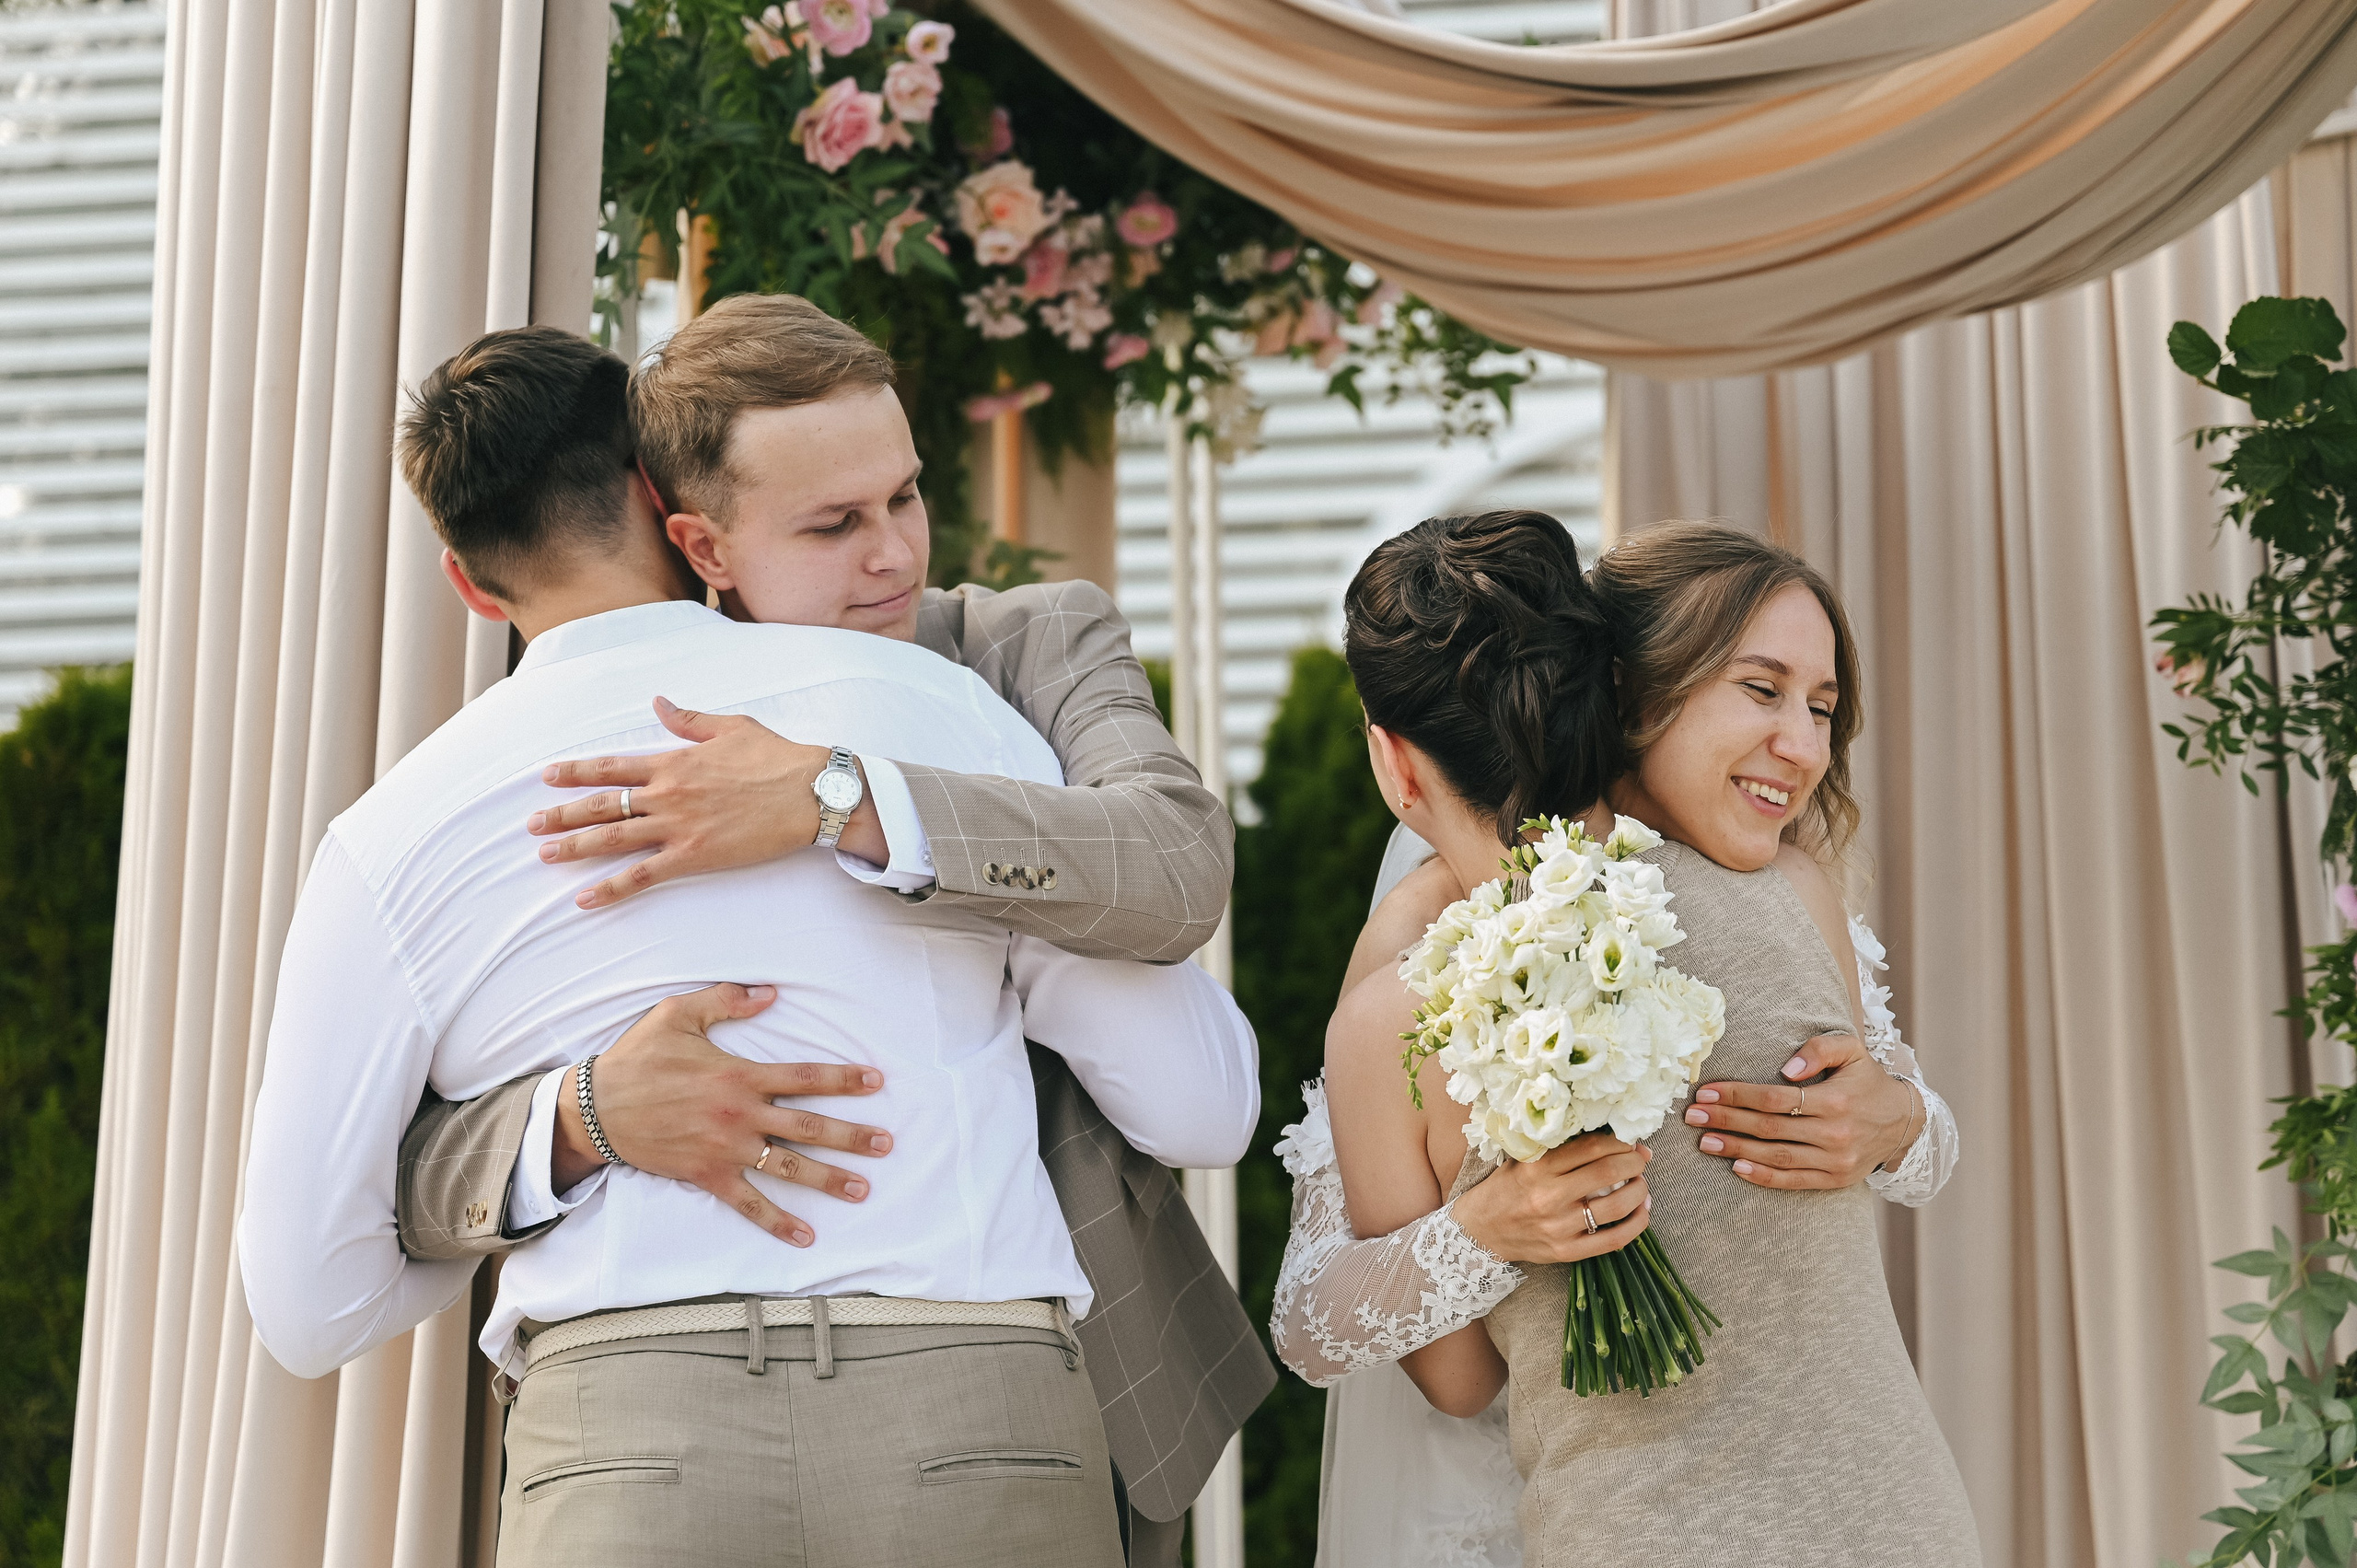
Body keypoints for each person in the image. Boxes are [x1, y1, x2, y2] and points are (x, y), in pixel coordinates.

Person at [236, 324, 1260, 1568]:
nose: (888, 550)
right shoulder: (926, 706)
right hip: (968, 1405)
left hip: (624, 1443)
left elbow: (307, 1300)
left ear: (467, 577)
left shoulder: (390, 836)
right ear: (672, 507)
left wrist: (573, 1122)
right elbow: (1199, 1100)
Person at [1271, 514, 1974, 1566]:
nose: (1806, 744)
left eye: (1821, 707)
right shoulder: (1788, 893)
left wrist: (1899, 1116)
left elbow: (1451, 1377)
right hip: (1894, 1515)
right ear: (1624, 694)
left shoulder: (1397, 1004)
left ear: (1393, 761)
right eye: (1762, 688)